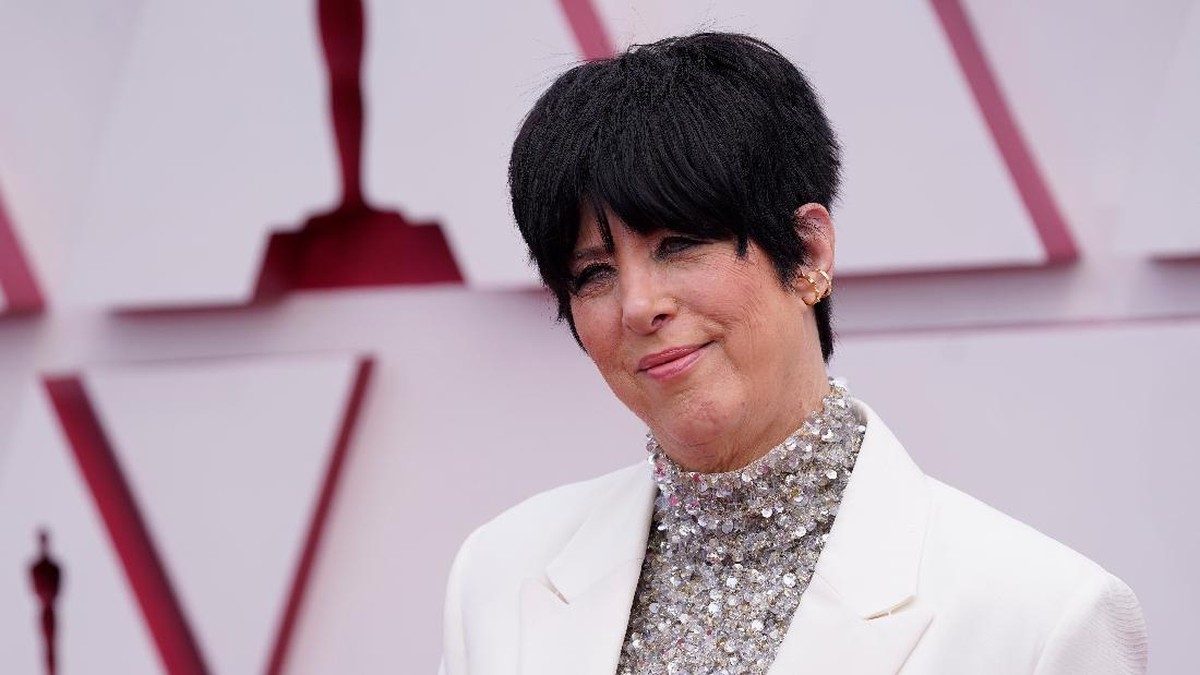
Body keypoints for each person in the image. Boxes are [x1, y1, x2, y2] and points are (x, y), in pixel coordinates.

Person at [440, 33, 1147, 674]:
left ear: (807, 251)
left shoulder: (1042, 620)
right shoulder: (499, 576)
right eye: (594, 273)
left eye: (678, 245)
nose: (637, 305)